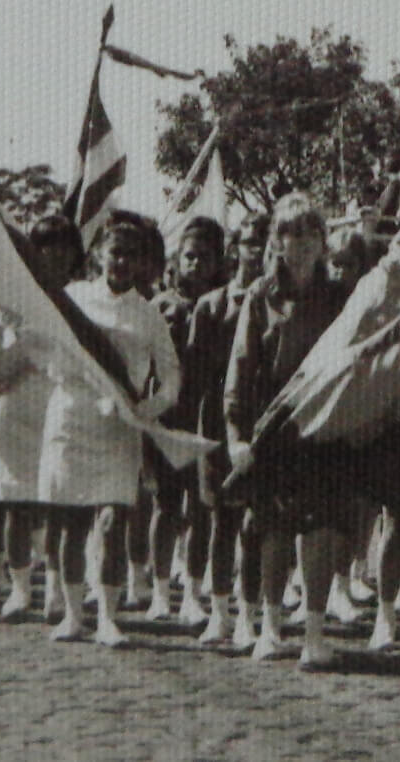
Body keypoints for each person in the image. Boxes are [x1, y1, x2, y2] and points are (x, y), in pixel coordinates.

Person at [224, 193, 356, 668]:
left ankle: (314, 635)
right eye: (287, 233)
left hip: (324, 426)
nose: (297, 243)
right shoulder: (260, 297)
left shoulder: (342, 295)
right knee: (274, 530)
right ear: (275, 242)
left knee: (319, 528)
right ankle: (271, 630)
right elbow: (240, 370)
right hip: (272, 427)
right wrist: (237, 435)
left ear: (323, 241)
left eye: (307, 233)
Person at [40, 210, 180, 647]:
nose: (121, 262)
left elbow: (172, 374)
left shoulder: (149, 313)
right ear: (99, 254)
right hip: (72, 417)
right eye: (115, 252)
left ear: (142, 263)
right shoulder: (73, 298)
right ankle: (73, 615)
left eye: (131, 255)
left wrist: (148, 407)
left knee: (112, 522)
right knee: (72, 523)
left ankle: (107, 617)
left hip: (120, 427)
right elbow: (47, 351)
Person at [0, 215, 80, 620]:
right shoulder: (12, 294)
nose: (56, 255)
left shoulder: (82, 297)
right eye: (47, 245)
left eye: (64, 247)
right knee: (17, 505)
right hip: (16, 403)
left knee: (59, 505)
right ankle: (21, 588)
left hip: (61, 405)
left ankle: (57, 592)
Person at [152, 215, 236, 631]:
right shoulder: (161, 304)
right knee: (167, 506)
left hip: (208, 415)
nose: (197, 263)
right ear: (177, 257)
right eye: (190, 255)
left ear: (219, 260)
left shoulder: (227, 303)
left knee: (203, 508)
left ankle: (193, 593)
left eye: (206, 256)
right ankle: (158, 591)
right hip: (170, 414)